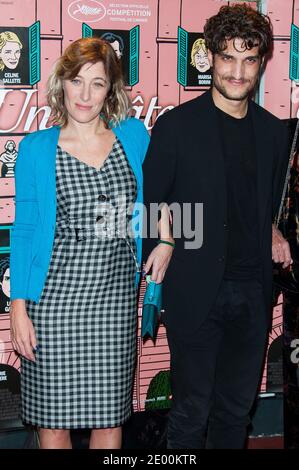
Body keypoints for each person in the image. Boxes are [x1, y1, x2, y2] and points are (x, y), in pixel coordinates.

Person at [142, 4, 291, 449]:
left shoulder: (273, 132)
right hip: (195, 289)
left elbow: (263, 203)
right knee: (191, 411)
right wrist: (166, 237)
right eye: (228, 57)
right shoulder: (176, 126)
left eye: (249, 59)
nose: (237, 71)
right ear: (210, 58)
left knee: (235, 410)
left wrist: (272, 228)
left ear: (262, 62)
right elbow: (149, 202)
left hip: (252, 293)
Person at [9, 37, 149, 449]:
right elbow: (25, 229)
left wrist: (167, 242)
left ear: (111, 89)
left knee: (109, 420)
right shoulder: (36, 149)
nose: (85, 95)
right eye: (76, 81)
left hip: (115, 301)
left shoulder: (135, 137)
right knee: (53, 423)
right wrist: (18, 305)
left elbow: (157, 200)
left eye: (98, 83)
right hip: (53, 303)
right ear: (62, 84)